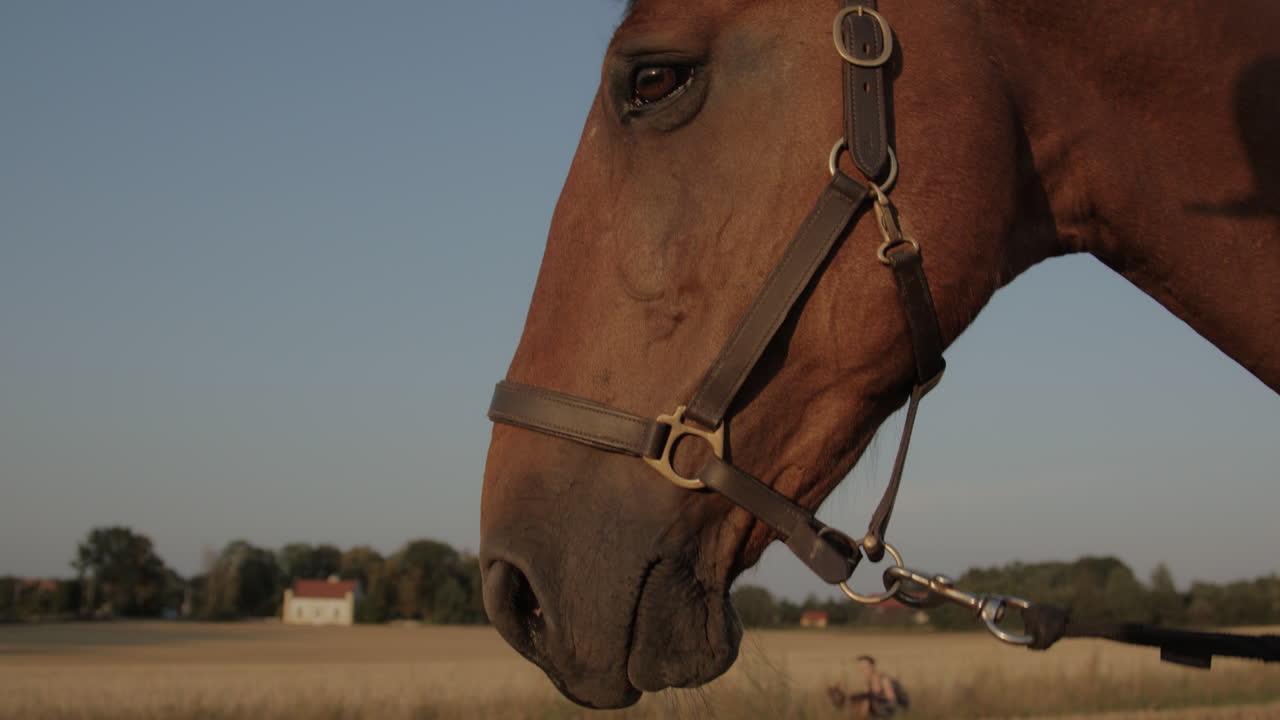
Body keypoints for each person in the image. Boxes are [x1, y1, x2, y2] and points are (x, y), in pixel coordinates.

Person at [826, 655, 906, 718]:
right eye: (861, 668)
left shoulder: (883, 679)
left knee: (865, 702)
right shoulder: (869, 680)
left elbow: (891, 698)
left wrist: (872, 698)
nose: (862, 670)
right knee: (856, 701)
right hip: (878, 705)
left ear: (872, 666)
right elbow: (869, 693)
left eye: (865, 667)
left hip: (889, 708)